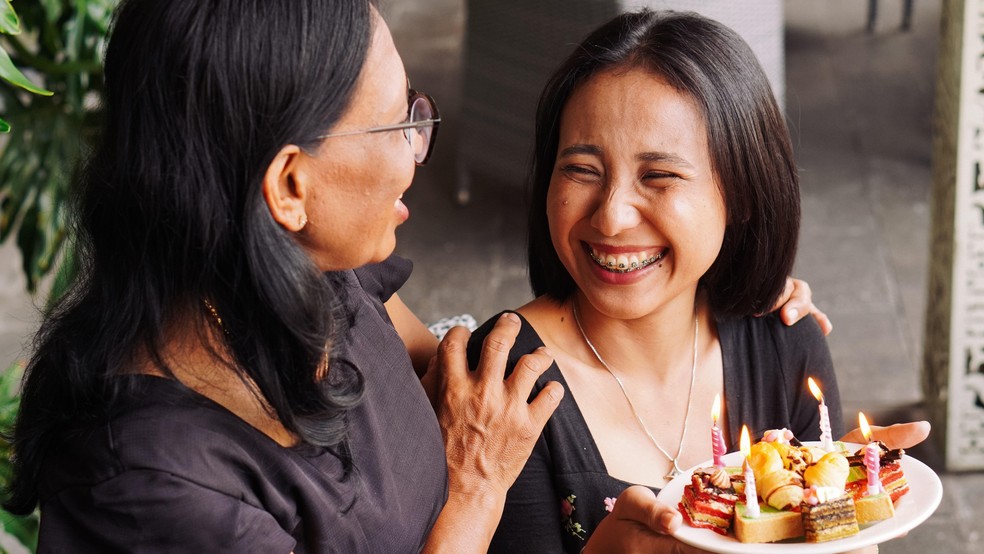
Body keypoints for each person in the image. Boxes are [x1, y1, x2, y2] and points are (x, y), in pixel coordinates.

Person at [2, 1, 831, 552]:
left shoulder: (322, 284)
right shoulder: (159, 486)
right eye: (400, 122)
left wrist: (732, 291)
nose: (416, 152)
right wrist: (472, 492)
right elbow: (485, 440)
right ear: (291, 186)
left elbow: (464, 364)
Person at [466, 9, 930, 553]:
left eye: (659, 176)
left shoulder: (784, 344)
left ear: (743, 194)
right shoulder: (508, 384)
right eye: (582, 170)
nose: (611, 217)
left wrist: (842, 520)